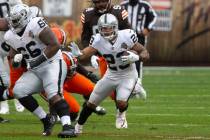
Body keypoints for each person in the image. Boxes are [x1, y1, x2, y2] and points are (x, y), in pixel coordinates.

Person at [4, 4, 76, 138]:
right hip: (35, 69)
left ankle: (68, 126)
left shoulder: (36, 23)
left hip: (52, 63)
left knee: (53, 94)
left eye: (15, 20)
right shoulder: (10, 36)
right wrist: (15, 61)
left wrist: (35, 61)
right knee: (19, 91)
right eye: (11, 20)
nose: (13, 23)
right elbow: (14, 61)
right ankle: (45, 119)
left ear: (25, 17)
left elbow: (55, 45)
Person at [72, 13, 149, 134]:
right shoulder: (97, 39)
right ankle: (78, 127)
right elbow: (85, 54)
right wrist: (79, 54)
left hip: (128, 74)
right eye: (103, 28)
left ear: (115, 27)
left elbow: (145, 53)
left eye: (108, 28)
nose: (105, 31)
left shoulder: (127, 35)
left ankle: (121, 113)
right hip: (111, 74)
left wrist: (137, 57)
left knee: (121, 102)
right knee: (91, 103)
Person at [121, 0, 157, 98]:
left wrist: (148, 28)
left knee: (138, 60)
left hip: (139, 36)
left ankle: (137, 87)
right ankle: (127, 87)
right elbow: (117, 19)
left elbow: (154, 17)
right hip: (124, 36)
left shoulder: (145, 5)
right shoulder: (123, 5)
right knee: (124, 59)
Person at [0, 0, 25, 115]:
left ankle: (18, 99)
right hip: (8, 35)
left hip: (12, 35)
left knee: (16, 73)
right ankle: (4, 103)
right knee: (4, 80)